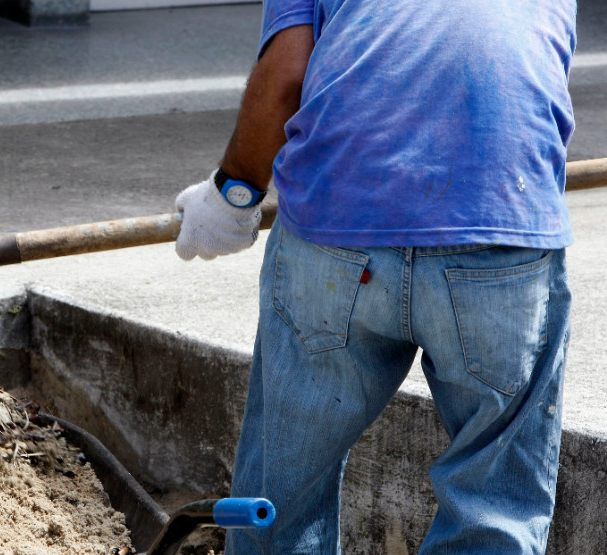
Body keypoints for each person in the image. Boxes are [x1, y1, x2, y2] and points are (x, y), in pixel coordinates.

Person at [174, 0, 576, 552]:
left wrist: (232, 194)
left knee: (284, 498)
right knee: (494, 506)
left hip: (336, 232)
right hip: (500, 229)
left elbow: (287, 74)